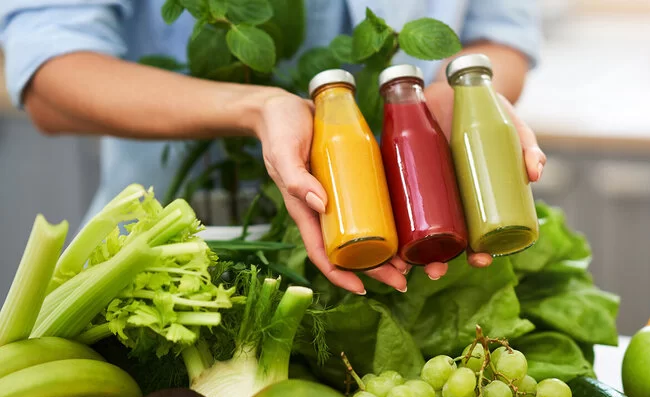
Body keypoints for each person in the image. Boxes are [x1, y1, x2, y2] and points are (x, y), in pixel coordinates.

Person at [0, 0, 546, 296]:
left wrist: (459, 93)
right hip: (174, 261)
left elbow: (501, 34)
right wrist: (255, 108)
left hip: (407, 235)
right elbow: (49, 71)